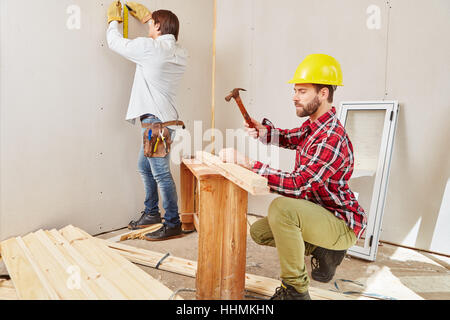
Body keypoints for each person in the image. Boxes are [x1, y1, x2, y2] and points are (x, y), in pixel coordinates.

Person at [219, 54, 367, 300]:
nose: (294, 97)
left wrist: (247, 162)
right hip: (318, 212)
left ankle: (296, 291)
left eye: (302, 91)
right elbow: (290, 137)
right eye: (295, 90)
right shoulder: (314, 125)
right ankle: (324, 249)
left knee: (283, 209)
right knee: (260, 232)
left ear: (323, 94)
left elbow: (299, 185)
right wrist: (264, 131)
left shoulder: (331, 136)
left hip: (341, 222)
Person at [106, 1, 187, 240]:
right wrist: (149, 19)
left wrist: (114, 20)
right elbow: (161, 42)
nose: (148, 24)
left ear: (159, 26)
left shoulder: (150, 49)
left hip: (156, 125)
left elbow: (114, 43)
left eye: (152, 23)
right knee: (144, 167)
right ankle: (152, 212)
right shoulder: (180, 51)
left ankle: (172, 222)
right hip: (167, 121)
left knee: (161, 173)